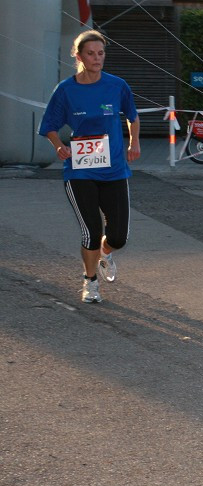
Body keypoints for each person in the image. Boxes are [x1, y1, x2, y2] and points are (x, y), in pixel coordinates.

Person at [38, 29, 140, 304]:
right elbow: (49, 127)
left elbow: (132, 116)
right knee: (92, 230)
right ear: (79, 56)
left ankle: (106, 253)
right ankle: (90, 280)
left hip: (114, 168)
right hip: (80, 169)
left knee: (118, 237)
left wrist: (134, 143)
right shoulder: (66, 90)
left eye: (101, 53)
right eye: (91, 54)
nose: (97, 58)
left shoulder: (117, 85)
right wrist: (58, 145)